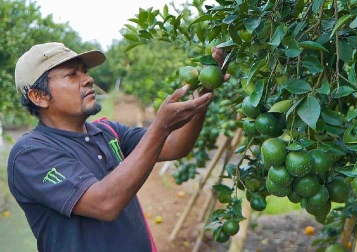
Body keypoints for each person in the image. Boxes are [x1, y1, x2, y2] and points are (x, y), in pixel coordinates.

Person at [7, 42, 230, 252]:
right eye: (72, 74)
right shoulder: (30, 154)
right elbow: (104, 204)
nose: (88, 79)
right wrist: (160, 127)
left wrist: (203, 93)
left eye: (84, 71)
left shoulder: (107, 132)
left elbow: (175, 146)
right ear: (39, 96)